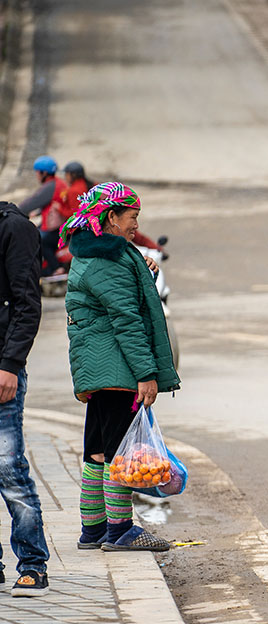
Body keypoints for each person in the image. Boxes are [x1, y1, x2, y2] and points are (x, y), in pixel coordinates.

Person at [60, 182, 180, 552]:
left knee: (97, 449)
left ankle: (93, 529)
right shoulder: (107, 262)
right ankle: (120, 530)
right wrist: (146, 374)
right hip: (116, 367)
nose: (135, 225)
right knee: (118, 452)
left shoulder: (99, 252)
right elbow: (126, 320)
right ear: (110, 217)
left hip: (100, 368)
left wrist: (139, 264)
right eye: (132, 218)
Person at [0, 201, 51, 596]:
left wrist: (10, 365)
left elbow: (27, 305)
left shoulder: (15, 228)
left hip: (2, 370)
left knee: (9, 470)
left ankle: (33, 563)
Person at [18, 155, 68, 277]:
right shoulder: (58, 183)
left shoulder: (50, 187)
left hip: (57, 228)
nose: (36, 175)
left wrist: (16, 210)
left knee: (38, 239)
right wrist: (38, 212)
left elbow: (31, 202)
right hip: (61, 224)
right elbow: (48, 202)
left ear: (44, 173)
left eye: (37, 172)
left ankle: (56, 268)